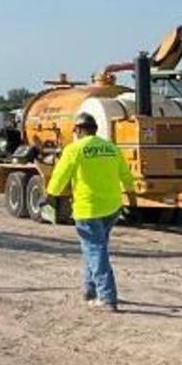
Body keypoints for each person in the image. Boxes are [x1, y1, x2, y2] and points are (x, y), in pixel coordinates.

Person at [45, 113, 135, 311]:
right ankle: (89, 289)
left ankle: (107, 297)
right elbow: (125, 175)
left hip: (88, 209)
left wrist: (51, 195)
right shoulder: (111, 148)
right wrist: (131, 194)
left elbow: (60, 175)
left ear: (78, 130)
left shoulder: (75, 149)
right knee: (94, 248)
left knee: (96, 250)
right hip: (111, 207)